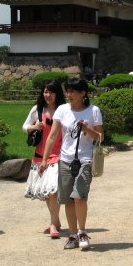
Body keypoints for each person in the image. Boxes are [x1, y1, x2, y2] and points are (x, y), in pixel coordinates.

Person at [38, 78, 103, 251]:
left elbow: (99, 137)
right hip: (65, 159)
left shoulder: (93, 110)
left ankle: (82, 231)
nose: (69, 94)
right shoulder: (62, 110)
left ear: (83, 93)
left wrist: (86, 129)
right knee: (67, 199)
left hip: (85, 159)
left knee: (80, 196)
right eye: (67, 91)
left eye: (73, 91)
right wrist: (44, 159)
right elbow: (52, 136)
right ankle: (72, 234)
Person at [23, 80, 66, 238]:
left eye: (51, 92)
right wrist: (34, 127)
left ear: (57, 94)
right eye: (45, 92)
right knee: (48, 192)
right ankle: (56, 220)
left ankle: (53, 224)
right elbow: (24, 126)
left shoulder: (63, 110)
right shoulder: (38, 109)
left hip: (59, 155)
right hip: (41, 155)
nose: (47, 95)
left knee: (53, 190)